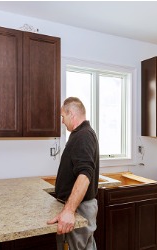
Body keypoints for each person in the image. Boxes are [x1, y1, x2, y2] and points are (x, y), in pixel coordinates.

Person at [47, 97, 99, 250]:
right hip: (80, 206)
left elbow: (85, 174)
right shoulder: (80, 134)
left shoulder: (83, 135)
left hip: (79, 207)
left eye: (63, 116)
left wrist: (69, 211)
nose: (62, 121)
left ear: (71, 113)